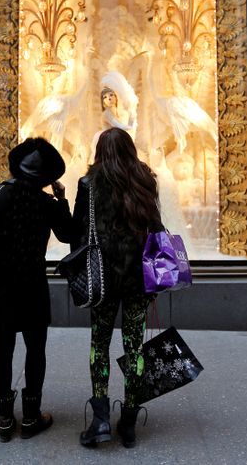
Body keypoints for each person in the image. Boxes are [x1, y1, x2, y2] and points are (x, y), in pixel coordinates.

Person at [0, 137, 75, 443]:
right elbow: (71, 234)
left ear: (16, 167)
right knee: (36, 351)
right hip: (32, 284)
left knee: (3, 352)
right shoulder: (46, 203)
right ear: (47, 177)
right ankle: (31, 418)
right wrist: (61, 198)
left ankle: (5, 421)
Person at [72, 127, 164, 449]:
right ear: (130, 149)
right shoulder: (144, 180)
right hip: (138, 278)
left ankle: (99, 420)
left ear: (100, 151)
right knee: (135, 347)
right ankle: (128, 422)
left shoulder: (88, 185)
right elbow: (156, 229)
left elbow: (77, 234)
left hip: (103, 280)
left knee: (100, 343)